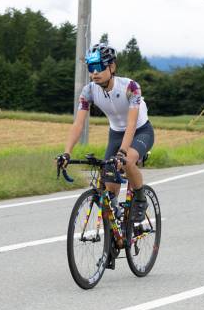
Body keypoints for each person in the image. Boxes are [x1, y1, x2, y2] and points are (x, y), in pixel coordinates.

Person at [58, 43, 154, 230]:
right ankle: (113, 243)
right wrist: (66, 153)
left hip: (141, 131)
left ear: (112, 67)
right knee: (109, 189)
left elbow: (132, 124)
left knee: (126, 161)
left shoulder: (131, 87)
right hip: (116, 134)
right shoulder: (89, 91)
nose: (94, 73)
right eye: (91, 68)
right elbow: (78, 124)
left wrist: (122, 153)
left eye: (99, 67)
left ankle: (141, 198)